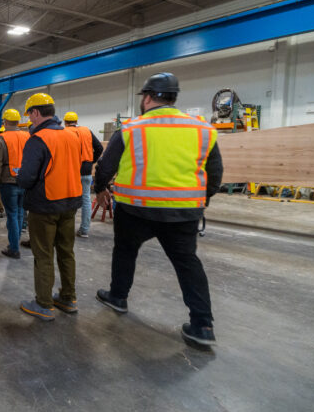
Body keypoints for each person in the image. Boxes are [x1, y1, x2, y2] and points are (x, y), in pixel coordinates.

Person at [93, 72, 223, 347]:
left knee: (125, 251)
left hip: (135, 209)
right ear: (174, 97)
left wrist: (101, 189)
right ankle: (202, 325)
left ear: (148, 97)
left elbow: (106, 166)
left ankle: (118, 297)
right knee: (187, 263)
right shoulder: (202, 129)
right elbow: (215, 174)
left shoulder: (131, 129)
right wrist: (200, 199)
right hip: (183, 212)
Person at [15, 93, 82, 321]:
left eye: (30, 115)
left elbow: (26, 178)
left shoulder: (38, 139)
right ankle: (68, 297)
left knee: (43, 254)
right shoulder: (72, 136)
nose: (30, 120)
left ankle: (43, 303)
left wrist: (19, 174)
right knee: (66, 251)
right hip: (70, 202)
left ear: (35, 112)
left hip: (45, 205)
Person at [0, 108, 29, 258]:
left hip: (8, 182)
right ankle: (15, 242)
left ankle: (14, 248)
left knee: (12, 215)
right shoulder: (28, 136)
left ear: (5, 122)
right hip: (25, 181)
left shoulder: (1, 139)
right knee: (20, 213)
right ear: (18, 122)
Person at [63, 111, 104, 238]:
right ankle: (84, 230)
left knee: (68, 199)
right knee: (86, 199)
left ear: (65, 122)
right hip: (86, 170)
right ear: (76, 121)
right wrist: (91, 161)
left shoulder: (64, 133)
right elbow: (99, 148)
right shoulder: (87, 131)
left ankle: (65, 229)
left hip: (71, 170)